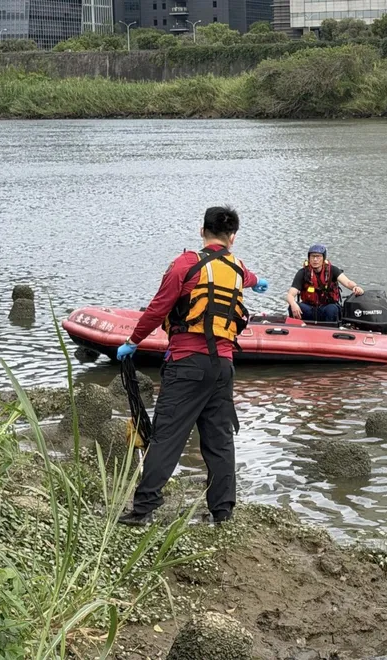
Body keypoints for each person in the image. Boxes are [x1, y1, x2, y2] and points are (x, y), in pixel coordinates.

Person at [115, 206, 268, 527]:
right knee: (219, 440)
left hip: (186, 365)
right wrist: (257, 283)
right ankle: (222, 512)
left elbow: (158, 309)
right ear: (232, 237)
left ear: (202, 231)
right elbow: (250, 277)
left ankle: (143, 509)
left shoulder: (185, 264)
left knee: (167, 436)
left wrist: (133, 341)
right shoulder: (238, 267)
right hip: (223, 368)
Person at [286, 244, 363, 323]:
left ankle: (330, 328)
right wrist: (293, 304)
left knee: (332, 309)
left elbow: (347, 282)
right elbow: (290, 295)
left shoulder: (332, 270)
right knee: (292, 307)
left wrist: (355, 287)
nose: (315, 259)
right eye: (312, 256)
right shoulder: (302, 273)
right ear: (309, 258)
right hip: (309, 308)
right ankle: (298, 327)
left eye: (318, 256)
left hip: (326, 308)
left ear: (323, 258)